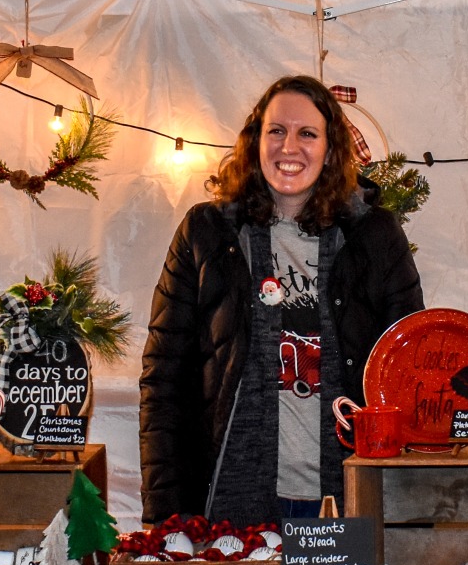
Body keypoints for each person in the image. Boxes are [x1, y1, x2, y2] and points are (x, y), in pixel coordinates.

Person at [139, 75, 424, 526]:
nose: (289, 147)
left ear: (330, 150)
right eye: (276, 131)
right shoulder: (206, 233)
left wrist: (405, 505)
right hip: (230, 499)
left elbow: (411, 373)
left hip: (348, 496)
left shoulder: (376, 236)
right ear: (255, 142)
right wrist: (166, 513)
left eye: (307, 133)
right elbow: (164, 380)